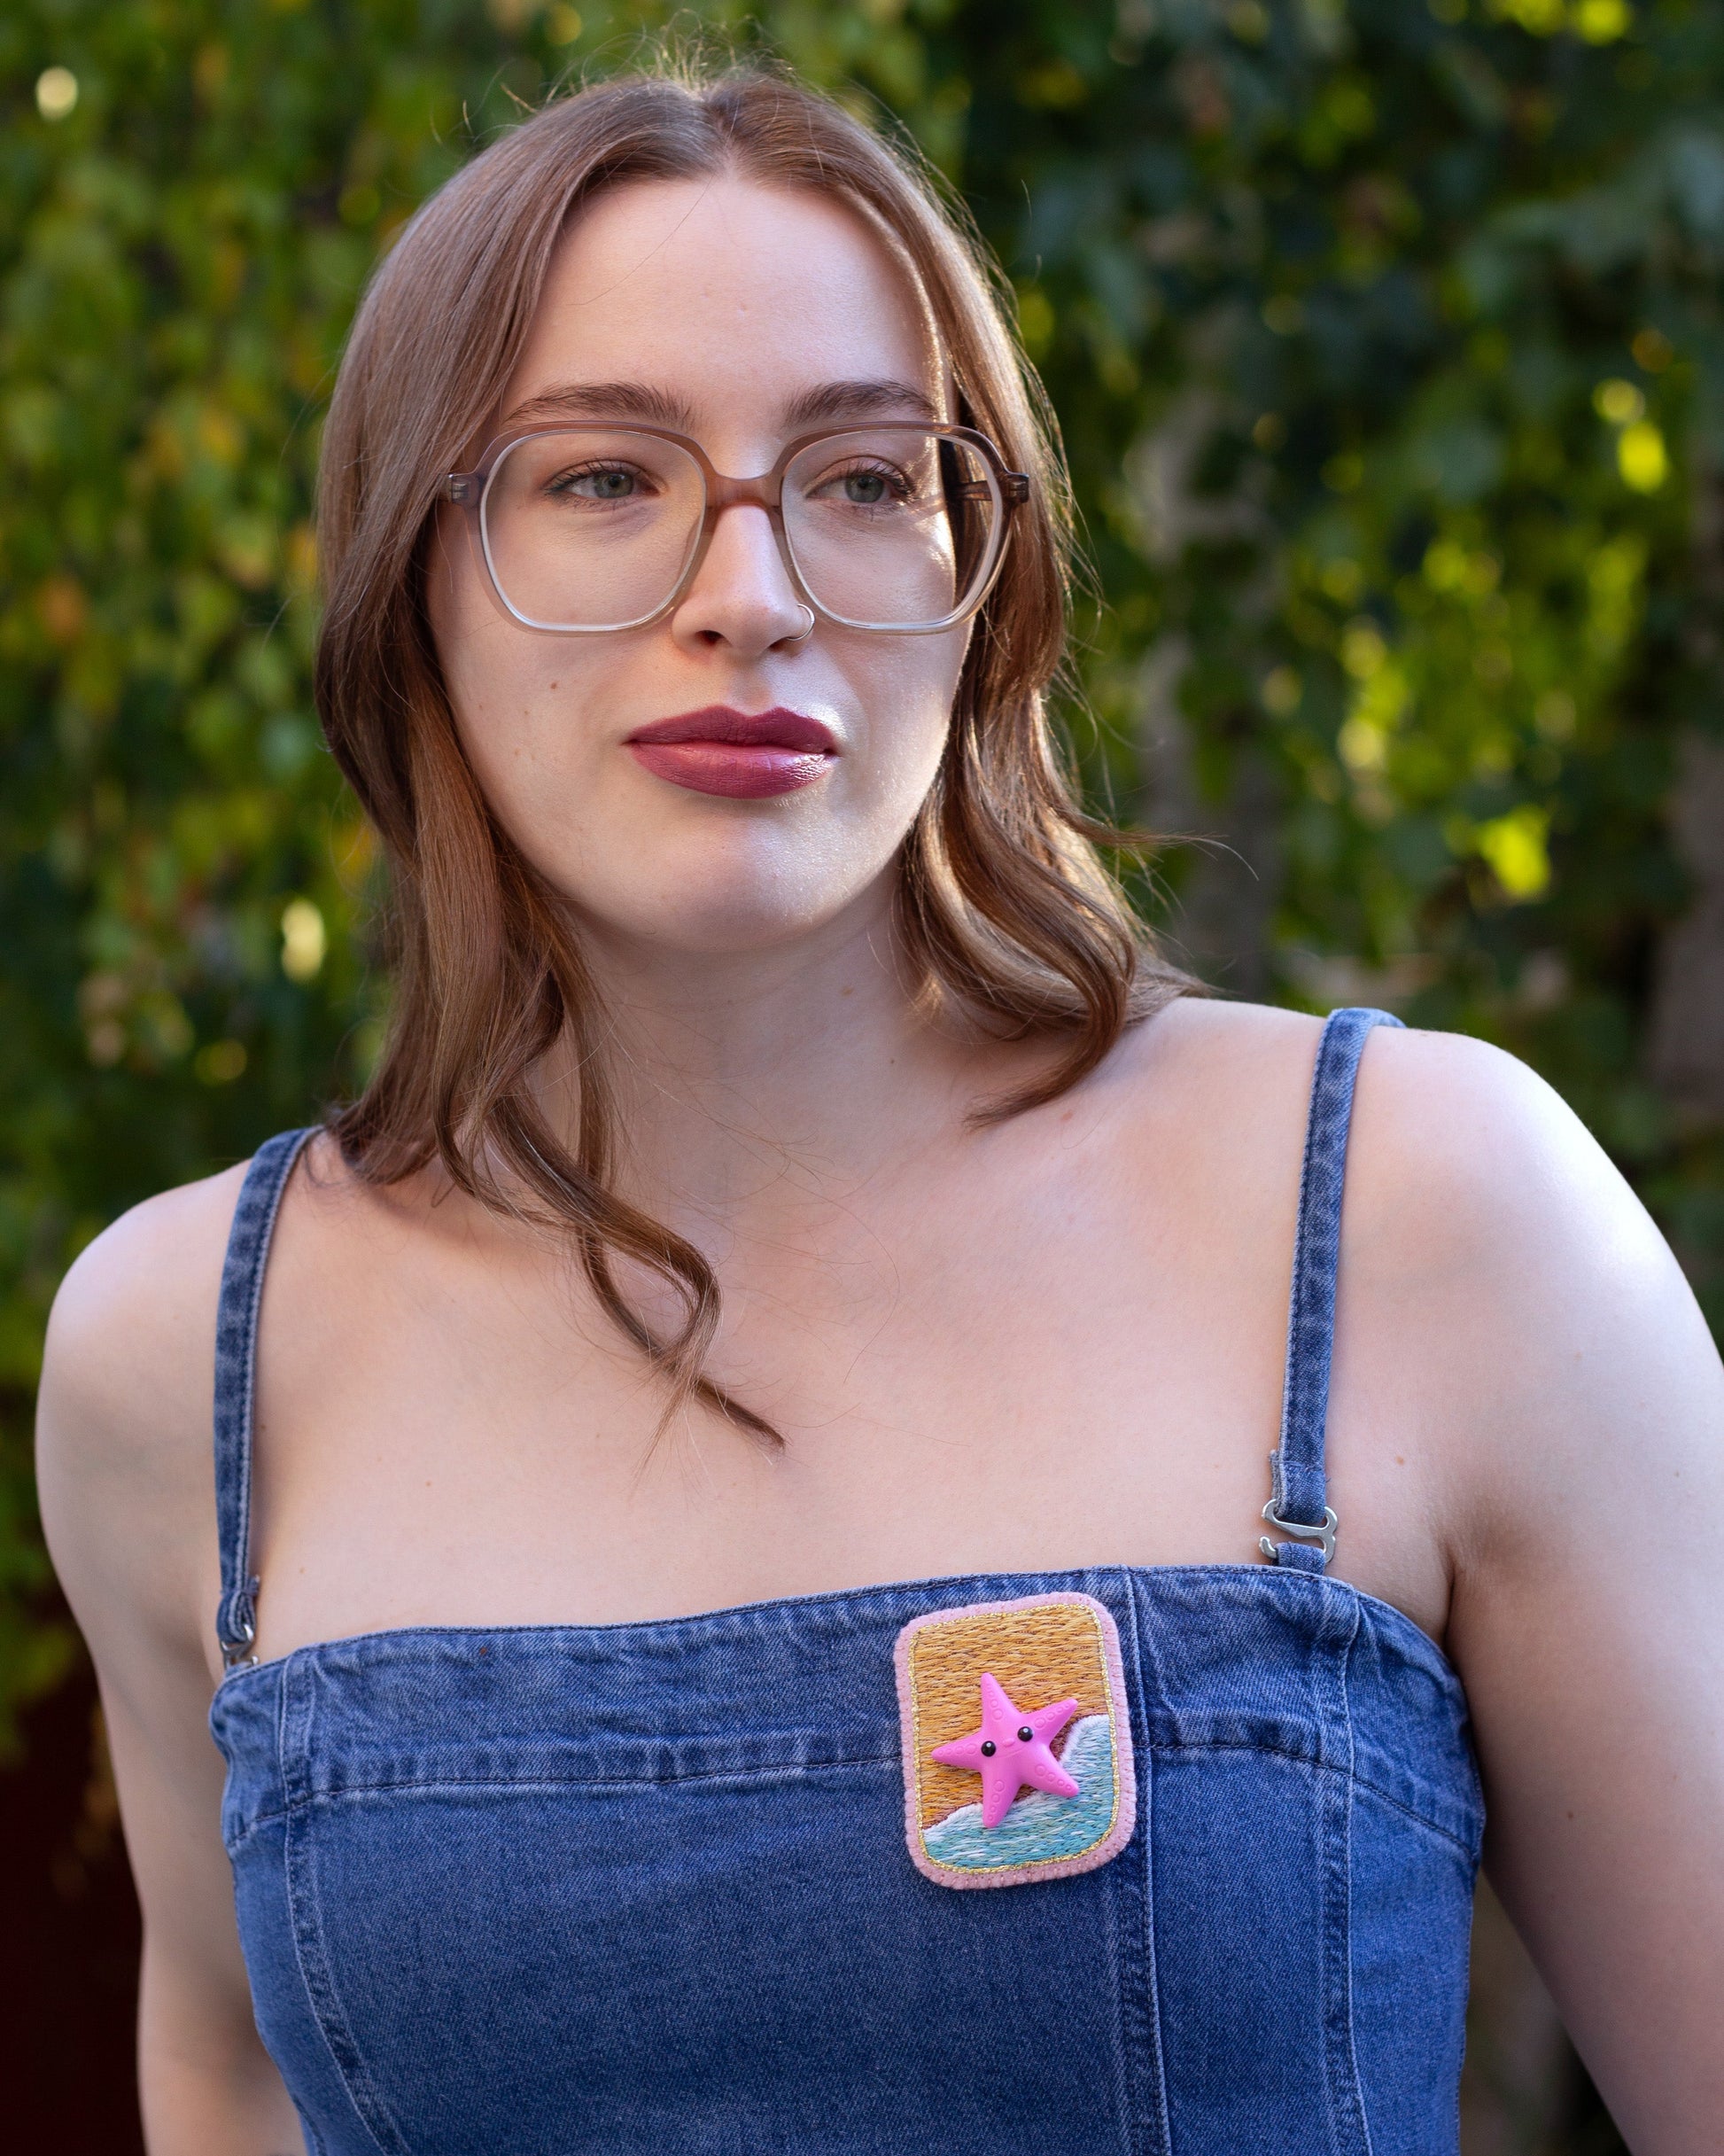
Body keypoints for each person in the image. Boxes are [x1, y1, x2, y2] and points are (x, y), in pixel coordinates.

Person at [35, 59, 1724, 2156]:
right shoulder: (189, 1354)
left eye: (859, 475)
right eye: (602, 476)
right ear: (414, 577)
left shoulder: (1415, 1211)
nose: (751, 591)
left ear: (982, 575)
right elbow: (226, 2085)